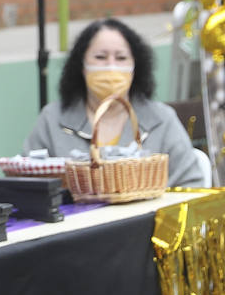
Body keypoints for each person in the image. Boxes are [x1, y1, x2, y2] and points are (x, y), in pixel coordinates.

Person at [24, 17, 205, 187]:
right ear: (81, 66)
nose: (111, 66)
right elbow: (25, 181)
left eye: (121, 58)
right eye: (100, 57)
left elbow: (191, 184)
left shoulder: (162, 119)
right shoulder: (53, 119)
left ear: (136, 67)